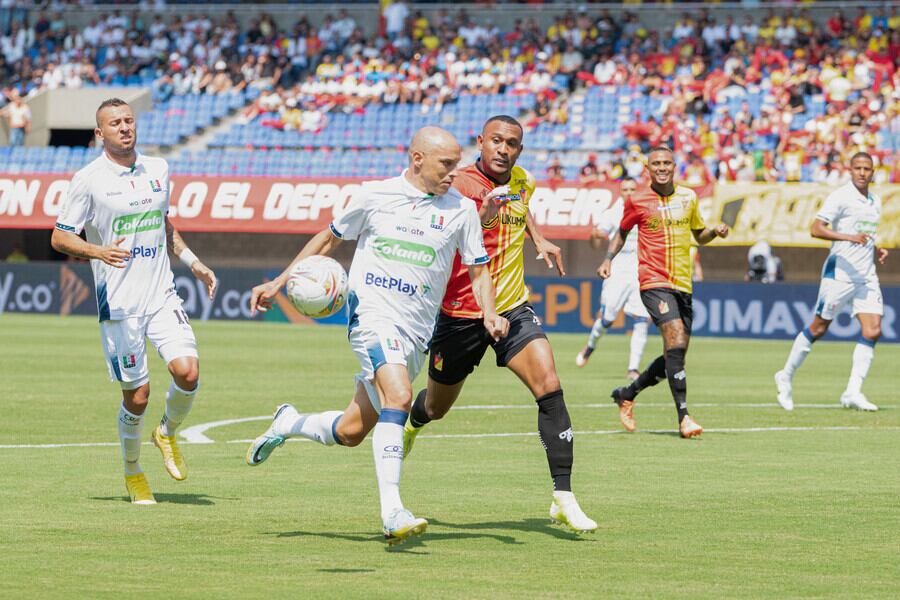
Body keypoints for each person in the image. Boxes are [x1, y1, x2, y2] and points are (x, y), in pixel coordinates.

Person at [244, 126, 508, 545]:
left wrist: (490, 312)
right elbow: (327, 240)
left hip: (418, 332)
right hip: (372, 317)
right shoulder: (374, 195)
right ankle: (393, 513)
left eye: (457, 165)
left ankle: (288, 422)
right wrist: (279, 282)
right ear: (417, 158)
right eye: (446, 164)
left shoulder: (461, 210)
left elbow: (478, 270)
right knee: (400, 398)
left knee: (350, 432)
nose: (453, 174)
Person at [402, 115, 598, 533]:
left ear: (519, 151)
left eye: (511, 143)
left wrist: (538, 237)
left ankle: (563, 495)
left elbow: (519, 206)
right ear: (481, 142)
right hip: (461, 312)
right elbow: (461, 233)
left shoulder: (523, 180)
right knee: (436, 407)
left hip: (511, 307)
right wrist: (487, 219)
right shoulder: (457, 185)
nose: (503, 149)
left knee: (549, 384)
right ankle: (413, 424)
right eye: (496, 141)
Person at [50, 98, 217, 505]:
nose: (124, 127)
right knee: (136, 396)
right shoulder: (88, 179)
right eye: (115, 123)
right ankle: (133, 471)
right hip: (120, 304)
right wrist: (99, 251)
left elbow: (163, 223)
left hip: (160, 294)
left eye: (128, 120)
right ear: (99, 133)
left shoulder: (158, 169)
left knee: (189, 373)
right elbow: (59, 236)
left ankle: (167, 433)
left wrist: (193, 262)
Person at [598, 147, 730, 438]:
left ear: (674, 166)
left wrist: (714, 231)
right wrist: (608, 259)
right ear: (647, 167)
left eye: (666, 163)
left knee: (676, 351)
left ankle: (627, 393)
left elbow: (699, 236)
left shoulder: (688, 197)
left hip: (683, 284)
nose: (661, 167)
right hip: (653, 282)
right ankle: (684, 418)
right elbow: (621, 231)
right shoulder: (638, 199)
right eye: (655, 163)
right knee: (676, 337)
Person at [775, 153, 887, 411]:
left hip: (866, 274)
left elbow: (865, 233)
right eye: (857, 168)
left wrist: (876, 247)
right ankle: (786, 375)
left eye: (866, 169)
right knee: (819, 327)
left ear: (873, 172)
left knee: (873, 330)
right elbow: (816, 228)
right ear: (850, 170)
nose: (862, 173)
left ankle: (852, 392)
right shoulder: (841, 196)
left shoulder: (875, 200)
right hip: (840, 273)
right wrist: (847, 237)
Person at [576, 177, 650, 391]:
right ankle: (590, 346)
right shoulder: (614, 212)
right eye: (625, 189)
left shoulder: (646, 209)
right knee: (607, 318)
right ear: (620, 191)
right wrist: (595, 236)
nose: (628, 192)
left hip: (640, 271)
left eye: (632, 189)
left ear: (639, 190)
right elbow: (596, 240)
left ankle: (633, 368)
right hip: (618, 271)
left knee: (641, 320)